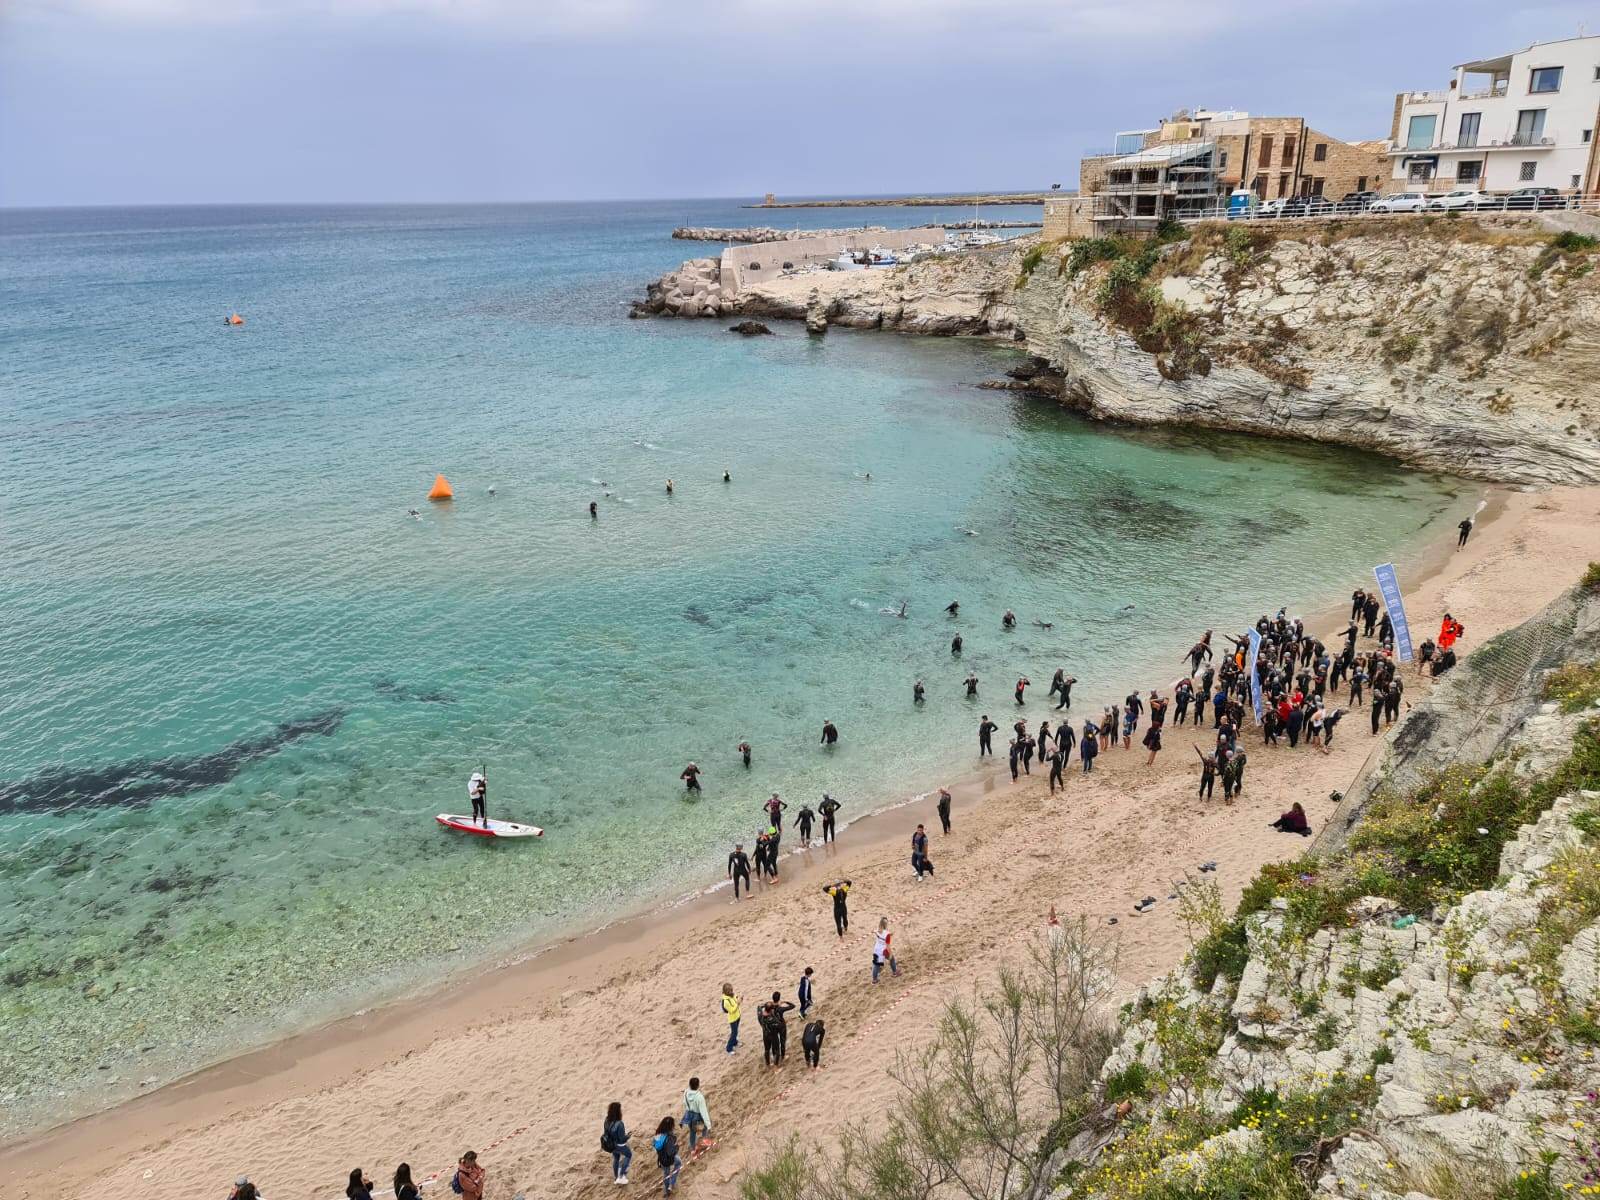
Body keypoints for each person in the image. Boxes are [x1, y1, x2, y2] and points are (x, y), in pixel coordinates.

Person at [602, 1102, 633, 1184]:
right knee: (628, 1155)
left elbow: (605, 1131)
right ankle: (621, 1176)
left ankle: (616, 1177)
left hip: (610, 1144)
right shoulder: (620, 1124)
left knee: (616, 1158)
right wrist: (628, 1136)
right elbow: (622, 1139)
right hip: (619, 1145)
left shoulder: (607, 1119)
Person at [682, 1079, 712, 1156]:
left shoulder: (685, 1093)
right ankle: (704, 1142)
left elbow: (684, 1103)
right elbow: (703, 1111)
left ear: (690, 1085)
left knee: (692, 1131)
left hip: (688, 1115)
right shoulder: (699, 1097)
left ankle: (692, 1149)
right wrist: (708, 1125)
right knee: (704, 1128)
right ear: (698, 1085)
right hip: (697, 1116)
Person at [652, 1117, 682, 1196]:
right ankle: (671, 1184)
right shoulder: (669, 1137)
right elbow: (670, 1152)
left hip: (661, 1159)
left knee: (666, 1174)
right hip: (669, 1159)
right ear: (670, 1126)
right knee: (679, 1163)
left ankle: (666, 1190)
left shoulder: (658, 1134)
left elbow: (654, 1144)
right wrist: (677, 1147)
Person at [872, 917, 900, 982]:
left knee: (876, 964)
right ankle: (895, 972)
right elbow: (887, 946)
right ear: (886, 924)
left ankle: (874, 979)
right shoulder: (887, 934)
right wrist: (890, 953)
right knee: (892, 958)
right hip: (883, 950)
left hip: (876, 949)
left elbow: (878, 933)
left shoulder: (877, 930)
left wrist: (889, 934)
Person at [720, 984, 741, 1053]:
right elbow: (731, 1010)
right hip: (732, 1019)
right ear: (726, 992)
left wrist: (739, 999)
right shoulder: (726, 1001)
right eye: (730, 991)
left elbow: (735, 1000)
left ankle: (735, 1042)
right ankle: (729, 1048)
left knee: (736, 1031)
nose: (732, 992)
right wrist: (737, 1004)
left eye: (732, 990)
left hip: (737, 1016)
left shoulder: (732, 995)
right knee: (734, 1033)